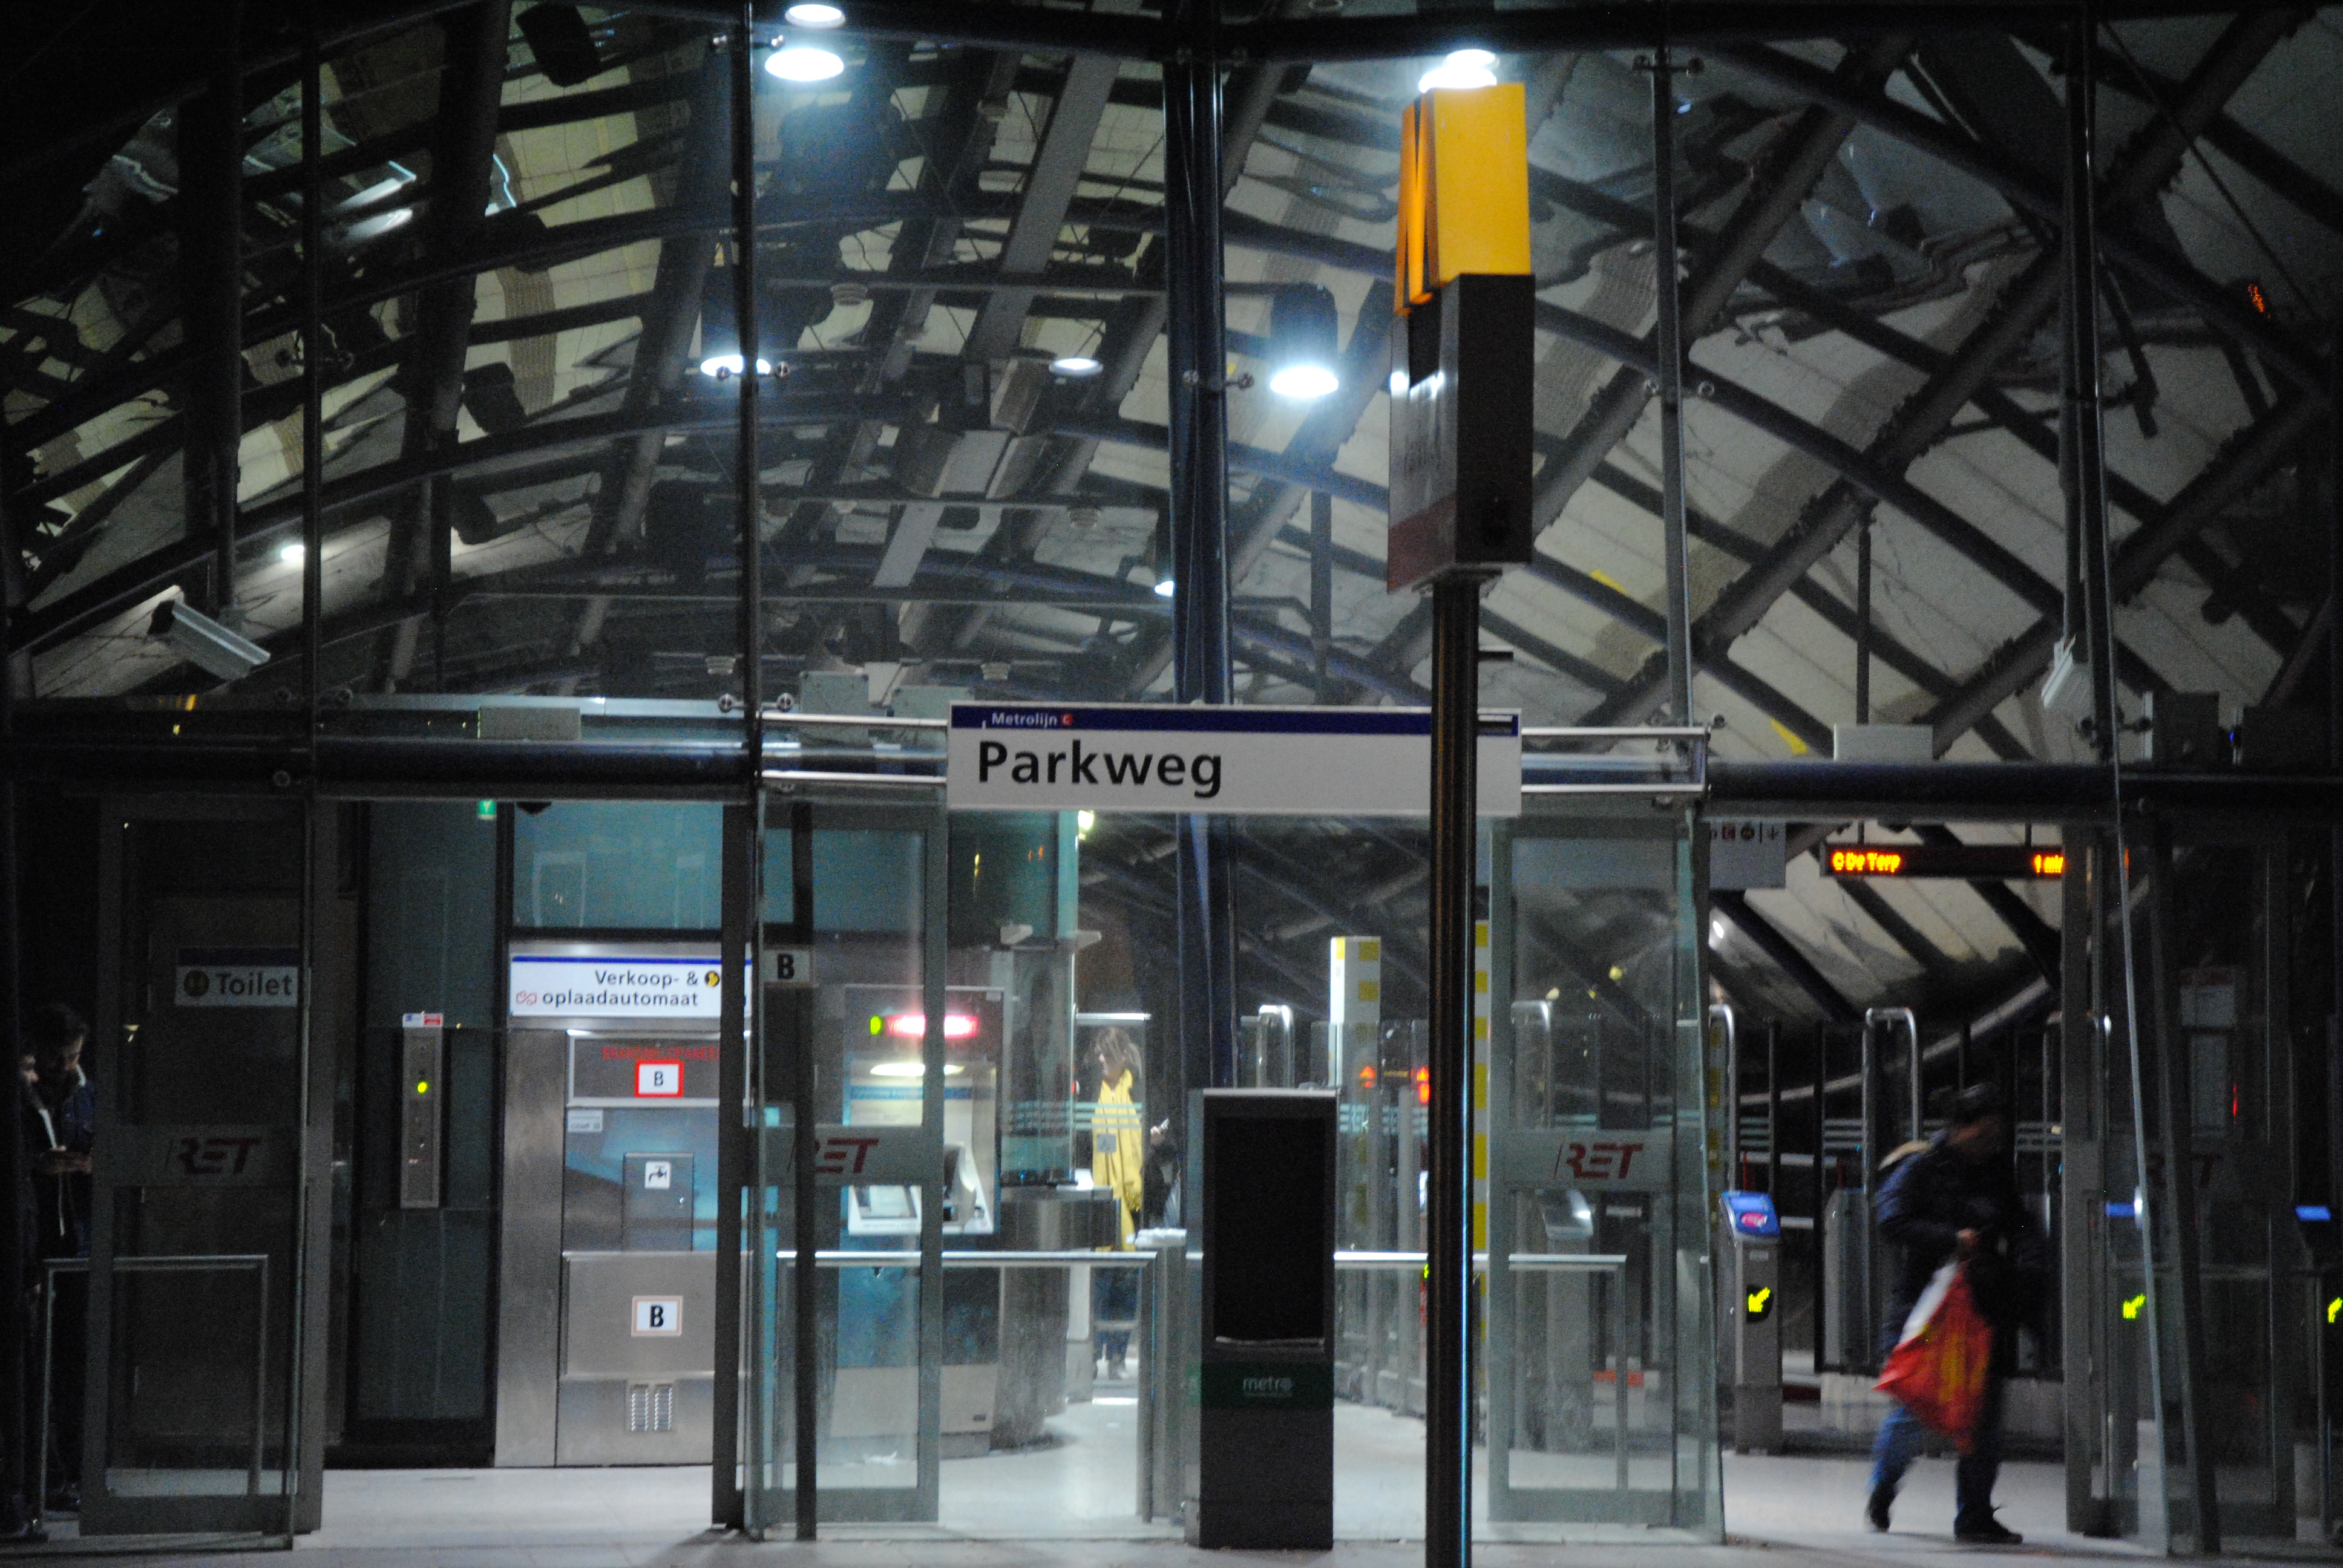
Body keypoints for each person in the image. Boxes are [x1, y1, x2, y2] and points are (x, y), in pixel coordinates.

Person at [1866, 1080, 2043, 1544]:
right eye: (1983, 1136)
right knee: (1916, 1404)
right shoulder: (1922, 1166)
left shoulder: (1996, 1173)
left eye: (1997, 1138)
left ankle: (1975, 1514)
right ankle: (1884, 1485)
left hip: (1982, 1308)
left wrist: (2029, 1261)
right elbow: (1891, 1220)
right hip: (1926, 1308)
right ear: (1960, 1129)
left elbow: (2021, 1223)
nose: (1990, 1146)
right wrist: (1951, 1239)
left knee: (1984, 1418)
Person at [22, 1005, 91, 1517]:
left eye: (69, 1056)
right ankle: (43, 1474)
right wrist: (36, 1166)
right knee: (36, 1366)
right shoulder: (25, 1097)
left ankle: (69, 1472)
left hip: (78, 1244)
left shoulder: (85, 1093)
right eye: (54, 1056)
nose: (62, 1065)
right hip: (37, 1244)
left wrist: (88, 1163)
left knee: (73, 1364)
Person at [1088, 1030, 1145, 1379]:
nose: (1100, 1060)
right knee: (1101, 1281)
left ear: (1122, 1055)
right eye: (1098, 1053)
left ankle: (1118, 1357)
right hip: (1099, 1197)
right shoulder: (1089, 1090)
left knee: (1124, 1281)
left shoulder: (1136, 1091)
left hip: (1131, 1200)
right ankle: (1094, 1356)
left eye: (1106, 1054)